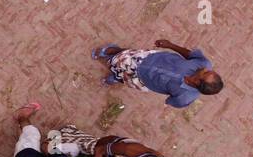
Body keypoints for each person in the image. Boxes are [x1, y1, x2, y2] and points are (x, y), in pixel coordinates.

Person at [93, 40, 222, 108]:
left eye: (205, 73)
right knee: (125, 55)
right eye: (208, 71)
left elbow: (170, 100)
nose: (205, 69)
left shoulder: (184, 98)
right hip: (148, 58)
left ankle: (118, 76)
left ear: (197, 82)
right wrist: (170, 45)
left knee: (125, 78)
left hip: (142, 80)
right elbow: (189, 54)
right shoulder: (204, 63)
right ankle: (112, 51)